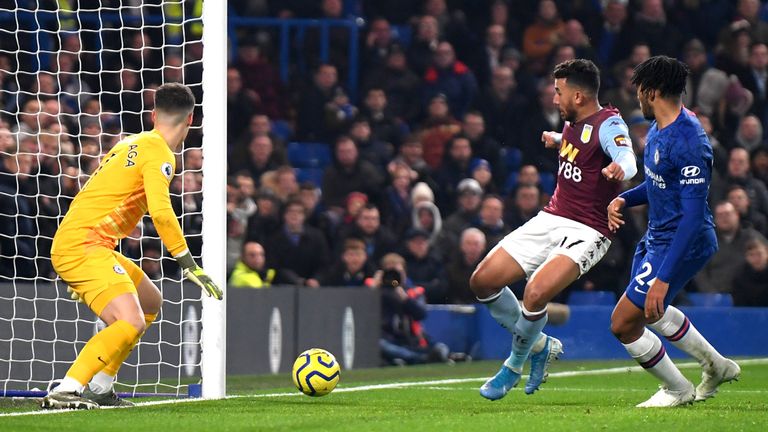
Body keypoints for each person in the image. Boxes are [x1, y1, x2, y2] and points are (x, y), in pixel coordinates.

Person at [43, 83, 223, 410]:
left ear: (154, 115)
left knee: (150, 301)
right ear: (191, 119)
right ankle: (66, 389)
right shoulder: (161, 155)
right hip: (85, 245)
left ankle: (101, 385)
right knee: (132, 321)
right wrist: (187, 263)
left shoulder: (132, 143)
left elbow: (94, 192)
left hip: (84, 243)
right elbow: (162, 211)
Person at [469, 59, 638, 400]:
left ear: (578, 96)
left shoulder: (610, 123)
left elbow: (627, 155)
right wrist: (560, 140)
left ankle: (513, 366)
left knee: (535, 292)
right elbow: (583, 145)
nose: (554, 99)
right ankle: (541, 344)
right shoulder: (574, 122)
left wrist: (620, 168)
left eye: (558, 92)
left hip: (589, 229)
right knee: (482, 282)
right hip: (553, 215)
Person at [607, 56, 740, 408]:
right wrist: (624, 198)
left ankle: (678, 390)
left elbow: (694, 217)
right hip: (656, 237)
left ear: (651, 92)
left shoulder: (690, 142)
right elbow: (658, 184)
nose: (636, 98)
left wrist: (663, 278)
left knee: (623, 323)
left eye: (638, 92)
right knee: (649, 311)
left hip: (684, 239)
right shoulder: (659, 129)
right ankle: (716, 365)